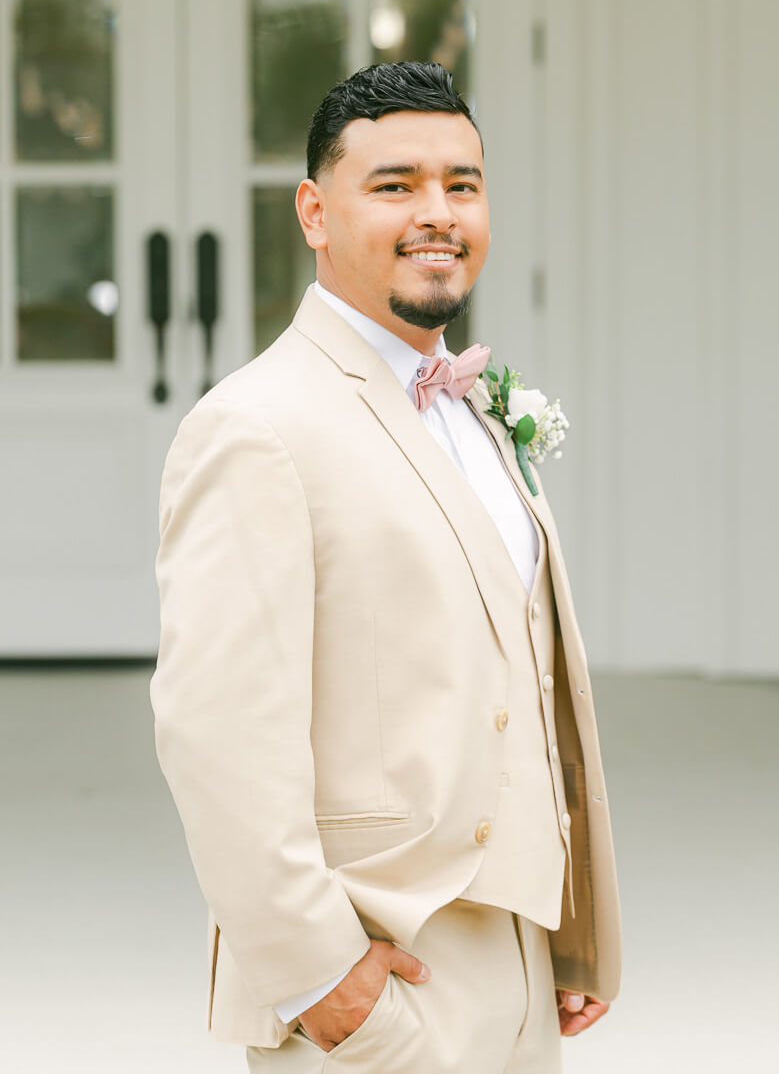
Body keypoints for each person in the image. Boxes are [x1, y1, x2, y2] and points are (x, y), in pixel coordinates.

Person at [151, 61, 621, 1072]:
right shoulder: (255, 428)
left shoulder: (478, 411)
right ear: (316, 213)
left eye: (462, 183)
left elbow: (524, 680)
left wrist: (568, 930)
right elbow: (216, 734)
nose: (438, 212)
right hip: (379, 974)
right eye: (396, 184)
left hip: (521, 964)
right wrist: (325, 983)